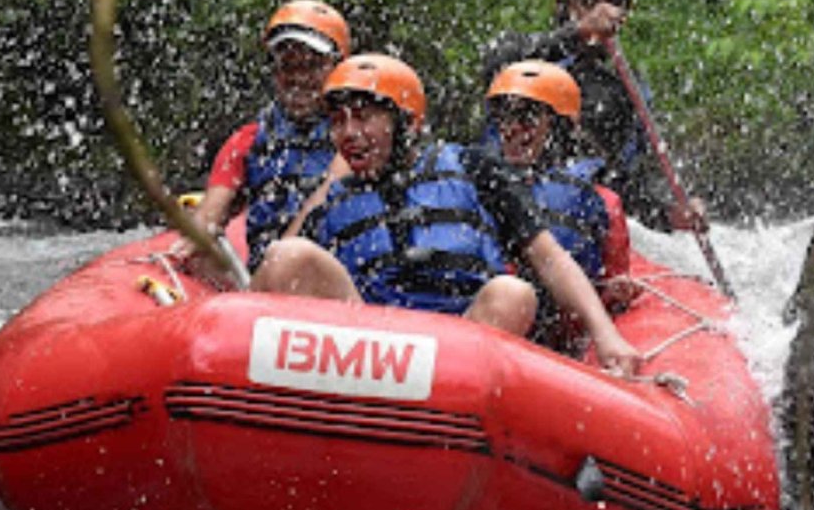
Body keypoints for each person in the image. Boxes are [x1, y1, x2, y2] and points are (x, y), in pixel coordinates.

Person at [252, 53, 641, 375]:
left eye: (364, 116)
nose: (348, 133)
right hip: (366, 348)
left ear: (407, 123)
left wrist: (606, 336)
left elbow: (550, 258)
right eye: (338, 121)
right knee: (287, 255)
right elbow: (279, 271)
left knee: (513, 294)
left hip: (461, 342)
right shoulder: (333, 197)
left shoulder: (475, 168)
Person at [480, 0, 705, 232]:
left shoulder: (625, 91)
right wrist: (579, 31)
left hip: (574, 218)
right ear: (566, 7)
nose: (601, 11)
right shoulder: (526, 56)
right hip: (504, 201)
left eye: (612, 2)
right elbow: (494, 66)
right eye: (588, 1)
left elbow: (623, 183)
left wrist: (668, 214)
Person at [178, 0, 351, 272]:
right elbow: (211, 215)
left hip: (340, 286)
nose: (299, 78)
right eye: (288, 66)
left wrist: (279, 266)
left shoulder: (358, 140)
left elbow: (323, 205)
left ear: (338, 69)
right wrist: (194, 238)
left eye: (312, 65)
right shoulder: (247, 141)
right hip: (271, 288)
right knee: (200, 260)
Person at [483, 59, 641, 341]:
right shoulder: (473, 185)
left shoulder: (603, 202)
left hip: (555, 348)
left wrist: (609, 295)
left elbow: (610, 288)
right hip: (489, 328)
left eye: (528, 117)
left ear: (558, 129)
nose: (512, 128)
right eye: (504, 116)